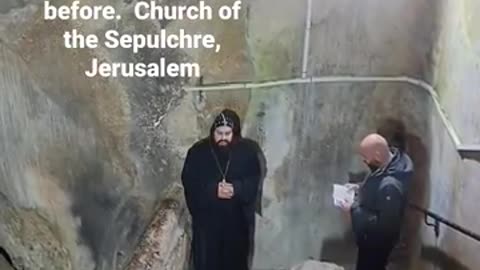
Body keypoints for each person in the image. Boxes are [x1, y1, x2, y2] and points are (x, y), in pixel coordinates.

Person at [181, 108, 263, 270]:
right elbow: (189, 181)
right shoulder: (198, 152)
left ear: (235, 133)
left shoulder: (248, 152)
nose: (223, 138)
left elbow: (254, 179)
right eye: (219, 133)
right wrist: (212, 190)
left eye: (227, 134)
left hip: (237, 224)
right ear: (213, 132)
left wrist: (237, 189)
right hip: (207, 225)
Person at [340, 133, 413, 270]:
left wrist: (352, 209)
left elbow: (384, 227)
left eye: (365, 157)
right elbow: (376, 180)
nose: (364, 161)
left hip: (376, 245)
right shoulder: (391, 162)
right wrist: (359, 188)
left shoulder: (390, 187)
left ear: (378, 156)